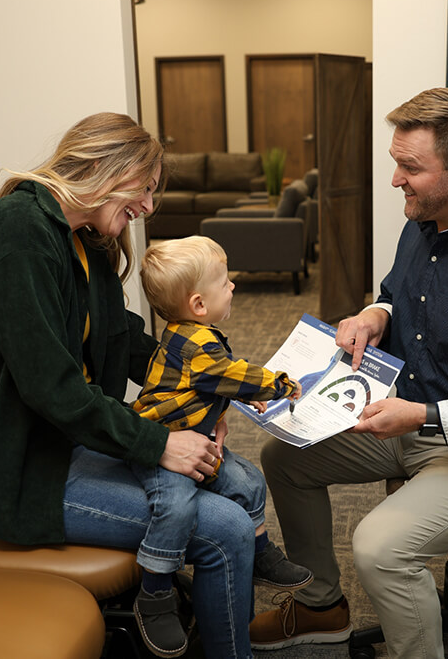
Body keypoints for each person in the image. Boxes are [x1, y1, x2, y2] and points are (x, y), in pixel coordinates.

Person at [248, 87, 448, 659]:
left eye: (410, 167)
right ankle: (323, 604)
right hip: (408, 423)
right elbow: (400, 297)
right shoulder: (423, 222)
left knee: (377, 546)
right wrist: (375, 315)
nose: (395, 179)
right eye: (396, 162)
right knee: (283, 457)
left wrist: (419, 416)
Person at [0, 113, 258, 658]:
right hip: (22, 467)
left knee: (234, 487)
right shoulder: (18, 233)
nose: (148, 207)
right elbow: (49, 386)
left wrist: (201, 395)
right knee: (225, 530)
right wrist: (160, 443)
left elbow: (123, 338)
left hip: (72, 441)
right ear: (103, 168)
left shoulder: (85, 237)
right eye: (144, 190)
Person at [129, 236, 311, 654]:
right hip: (160, 447)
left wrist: (236, 396)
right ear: (197, 304)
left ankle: (261, 552)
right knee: (175, 507)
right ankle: (154, 593)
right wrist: (278, 384)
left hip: (191, 433)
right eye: (225, 281)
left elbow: (212, 382)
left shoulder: (189, 334)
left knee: (247, 480)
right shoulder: (200, 344)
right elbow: (233, 373)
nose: (232, 287)